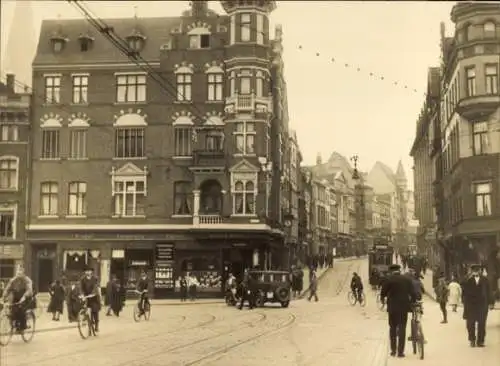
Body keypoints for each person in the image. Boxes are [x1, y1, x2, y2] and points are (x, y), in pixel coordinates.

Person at [380, 264, 417, 358]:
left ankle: (393, 350)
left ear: (391, 271)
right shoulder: (406, 279)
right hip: (403, 307)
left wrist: (382, 300)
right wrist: (413, 301)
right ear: (399, 270)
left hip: (392, 308)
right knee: (402, 328)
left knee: (392, 328)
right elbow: (413, 293)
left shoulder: (389, 279)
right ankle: (400, 352)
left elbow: (383, 293)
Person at [462, 264, 493, 347]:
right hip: (470, 305)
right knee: (470, 324)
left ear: (480, 270)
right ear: (471, 271)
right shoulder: (467, 280)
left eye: (478, 269)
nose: (476, 271)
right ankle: (472, 339)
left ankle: (480, 341)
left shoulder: (485, 280)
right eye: (474, 269)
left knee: (482, 323)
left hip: (482, 305)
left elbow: (489, 291)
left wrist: (491, 303)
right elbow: (463, 290)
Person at [2, 266, 33, 332]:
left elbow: (29, 290)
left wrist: (24, 296)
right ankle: (14, 324)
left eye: (20, 273)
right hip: (16, 297)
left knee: (21, 310)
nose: (18, 275)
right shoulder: (13, 280)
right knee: (12, 309)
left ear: (23, 273)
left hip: (26, 297)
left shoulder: (27, 280)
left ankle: (23, 326)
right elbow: (7, 289)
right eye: (17, 273)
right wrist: (3, 297)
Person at [79, 266, 101, 332]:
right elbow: (81, 287)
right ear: (85, 272)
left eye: (89, 271)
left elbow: (96, 286)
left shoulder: (95, 278)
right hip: (86, 297)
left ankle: (96, 325)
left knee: (95, 311)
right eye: (86, 271)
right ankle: (86, 321)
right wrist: (82, 294)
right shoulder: (82, 279)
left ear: (91, 272)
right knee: (84, 308)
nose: (88, 272)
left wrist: (93, 293)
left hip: (94, 297)